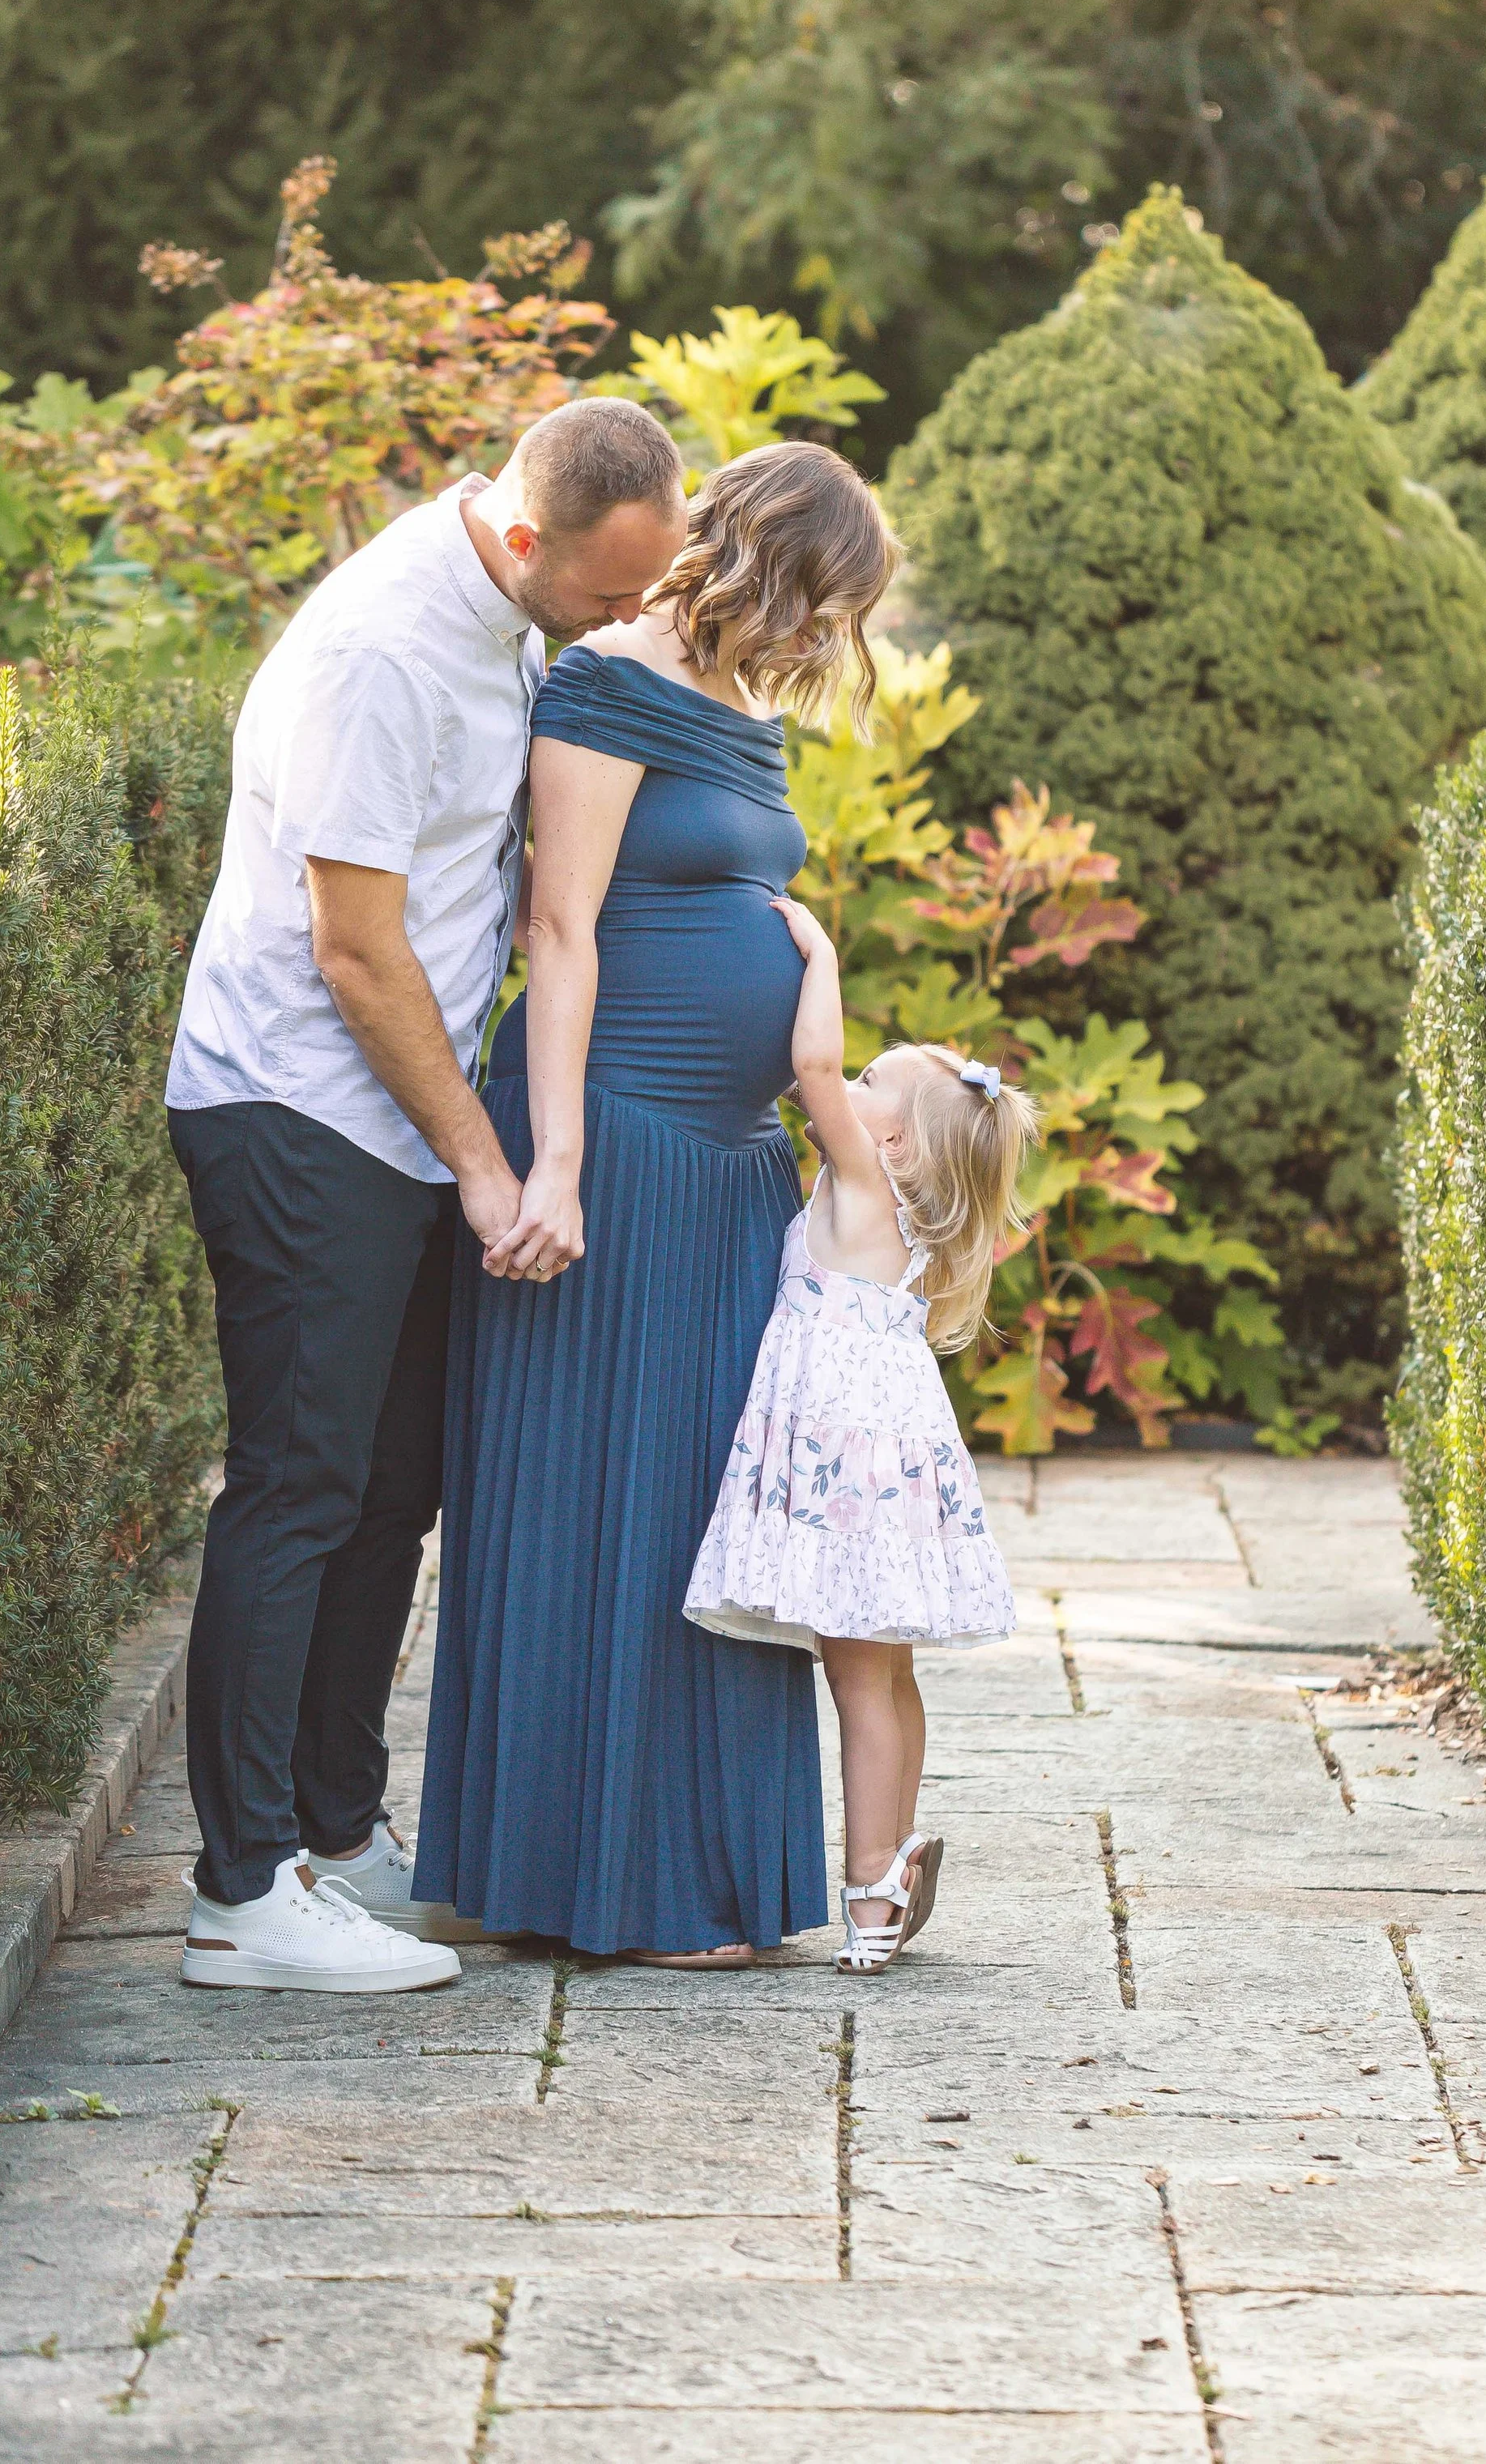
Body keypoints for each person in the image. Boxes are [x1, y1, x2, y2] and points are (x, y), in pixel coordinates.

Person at [166, 397, 686, 1994]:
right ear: (524, 539)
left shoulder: (515, 611)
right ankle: (239, 1897)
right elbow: (354, 947)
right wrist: (485, 1161)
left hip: (389, 1124)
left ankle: (333, 1836)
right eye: (607, 594)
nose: (621, 620)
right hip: (299, 1114)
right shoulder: (383, 655)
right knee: (298, 1485)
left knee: (392, 1485)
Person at [415, 441, 899, 1964]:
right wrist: (553, 1164)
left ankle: (695, 1873)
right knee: (609, 1511)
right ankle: (618, 1889)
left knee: (715, 1509)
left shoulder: (741, 703)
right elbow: (559, 928)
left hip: (728, 1157)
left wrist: (802, 961)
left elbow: (725, 892)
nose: (829, 640)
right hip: (616, 1141)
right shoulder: (608, 680)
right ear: (762, 559)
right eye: (823, 602)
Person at [684, 896, 1033, 1974]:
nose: (855, 1088)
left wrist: (820, 946)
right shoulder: (909, 1217)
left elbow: (810, 1066)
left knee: (853, 1678)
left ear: (889, 1137)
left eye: (879, 1084)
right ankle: (890, 1855)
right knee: (889, 1674)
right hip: (892, 1458)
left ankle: (872, 1883)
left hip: (844, 1469)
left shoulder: (864, 1181)